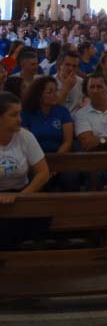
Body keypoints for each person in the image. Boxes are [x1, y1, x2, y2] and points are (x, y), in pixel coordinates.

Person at [0, 92, 50, 249]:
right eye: (13, 115)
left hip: (22, 193)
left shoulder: (26, 136)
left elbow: (43, 173)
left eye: (19, 114)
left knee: (42, 214)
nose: (20, 119)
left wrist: (21, 196)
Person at [20, 76, 73, 155]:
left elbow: (67, 141)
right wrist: (39, 160)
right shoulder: (25, 113)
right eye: (49, 92)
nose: (55, 95)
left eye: (56, 90)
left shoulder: (63, 111)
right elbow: (25, 143)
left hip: (59, 157)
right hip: (33, 157)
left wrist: (56, 158)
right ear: (38, 94)